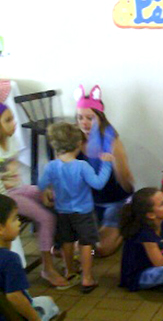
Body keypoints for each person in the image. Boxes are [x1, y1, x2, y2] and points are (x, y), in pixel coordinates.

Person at [0, 103, 72, 288]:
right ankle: (47, 268)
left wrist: (43, 191)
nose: (14, 123)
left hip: (18, 189)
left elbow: (19, 180)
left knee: (57, 198)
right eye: (8, 120)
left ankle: (57, 247)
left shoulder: (10, 141)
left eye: (12, 118)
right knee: (45, 217)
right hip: (5, 197)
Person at [38, 122, 113, 293]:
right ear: (79, 144)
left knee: (67, 241)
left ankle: (69, 271)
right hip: (84, 212)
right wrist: (106, 165)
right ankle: (87, 277)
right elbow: (98, 184)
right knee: (86, 243)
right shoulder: (82, 166)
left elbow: (41, 184)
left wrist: (48, 191)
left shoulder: (51, 166)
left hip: (62, 211)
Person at [75, 84, 135, 257]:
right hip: (89, 203)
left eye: (90, 118)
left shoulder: (111, 141)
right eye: (80, 118)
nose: (84, 123)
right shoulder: (75, 141)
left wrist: (114, 162)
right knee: (75, 246)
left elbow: (127, 181)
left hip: (115, 201)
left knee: (100, 249)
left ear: (100, 118)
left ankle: (128, 225)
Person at [0, 194, 60, 321]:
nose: (19, 222)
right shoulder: (9, 260)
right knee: (49, 303)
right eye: (14, 219)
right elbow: (14, 296)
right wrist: (34, 319)